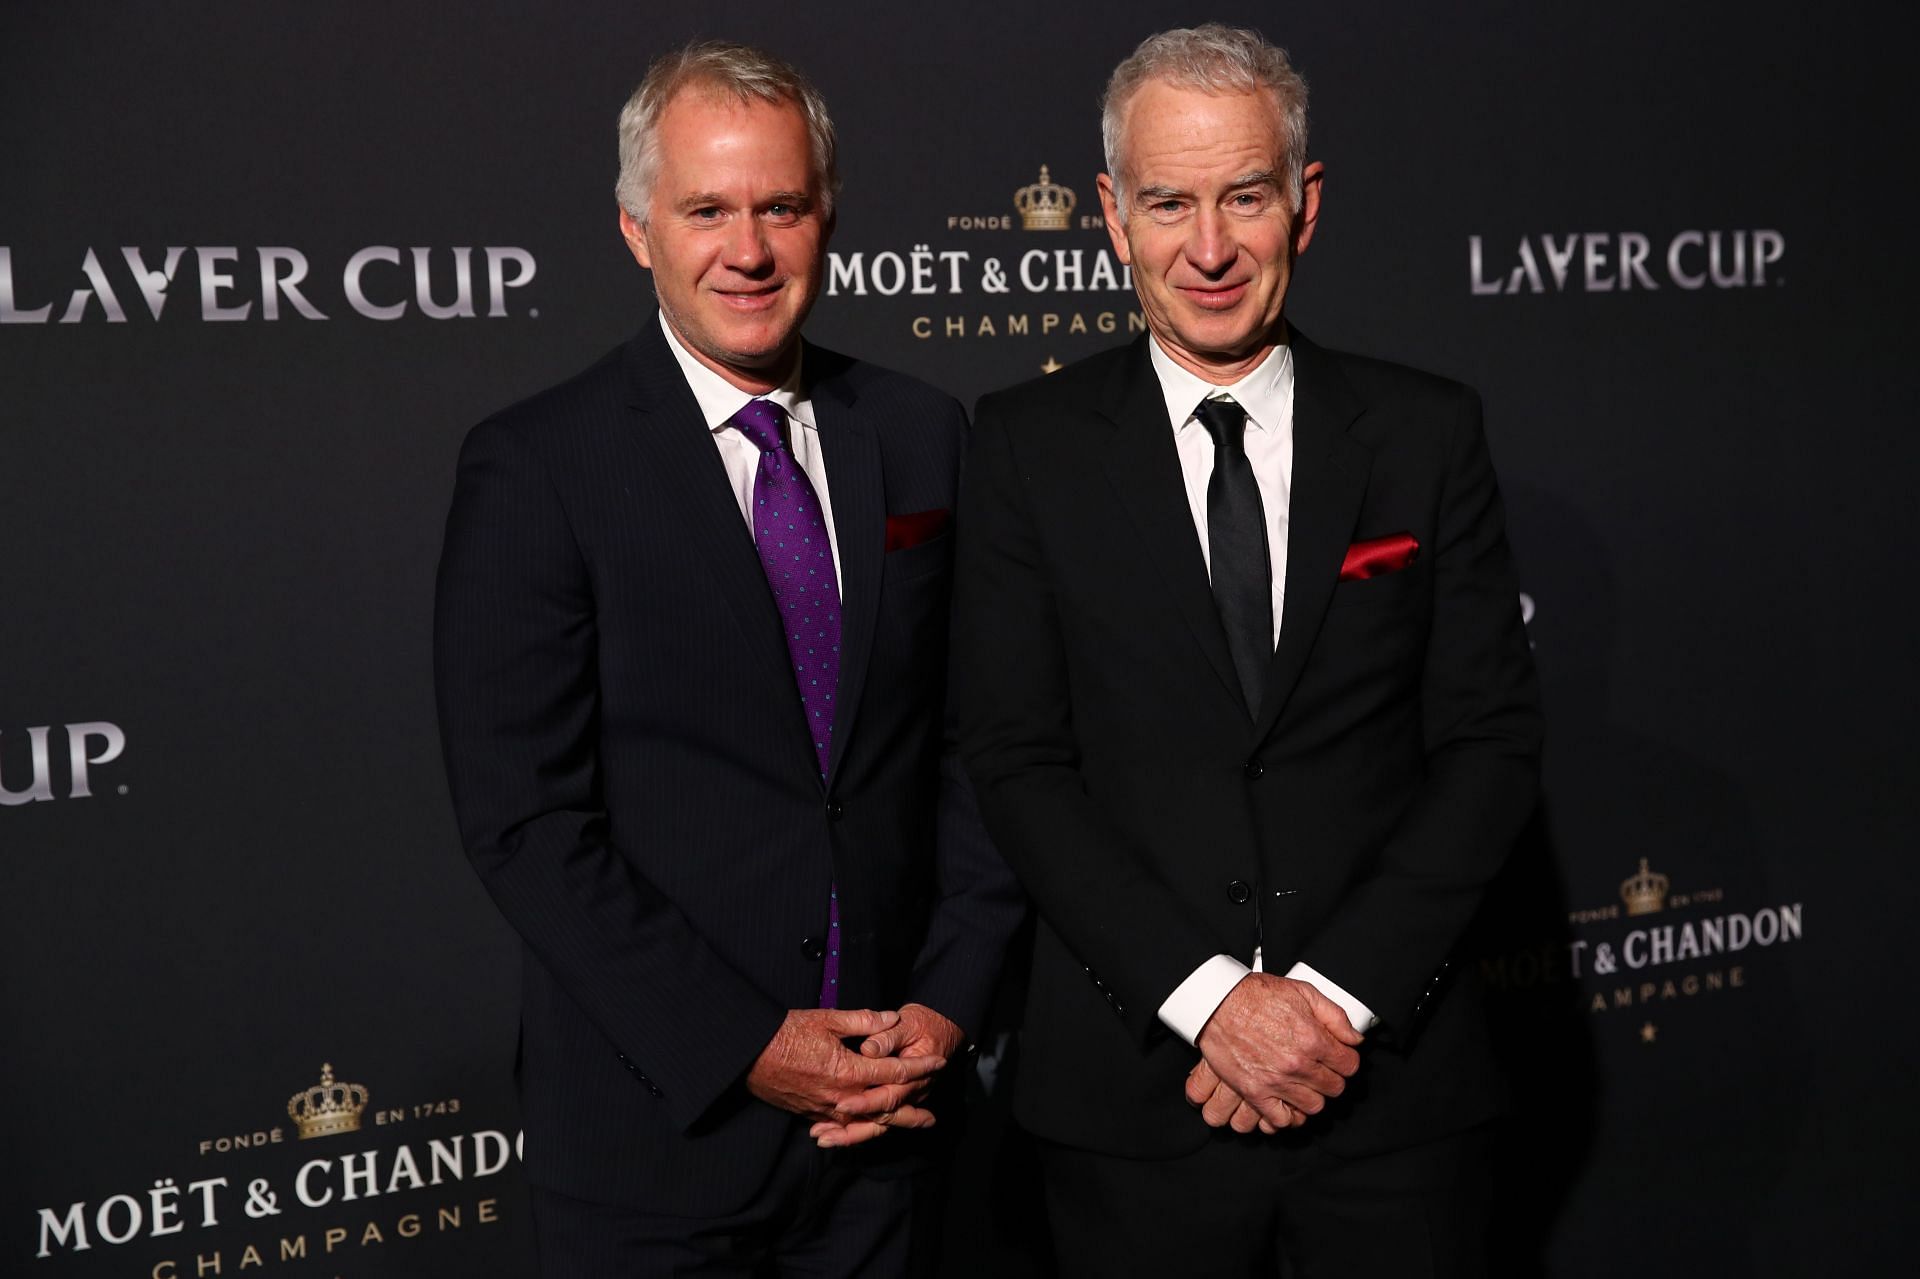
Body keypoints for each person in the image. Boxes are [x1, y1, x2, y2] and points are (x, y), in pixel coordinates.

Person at [951, 24, 1542, 1277]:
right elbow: (1015, 760)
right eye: (1167, 202)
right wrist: (1212, 998)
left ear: (1304, 204)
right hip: (1135, 1098)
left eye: (1244, 198)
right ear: (1112, 216)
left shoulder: (1427, 435)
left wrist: (1329, 1002)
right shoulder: (1022, 447)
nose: (1207, 249)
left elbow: (1487, 746)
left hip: (1394, 1097)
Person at [433, 40, 1021, 1277]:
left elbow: (977, 743)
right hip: (661, 1137)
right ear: (638, 227)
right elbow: (528, 821)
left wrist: (949, 1003)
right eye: (707, 209)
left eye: (781, 207)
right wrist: (749, 1042)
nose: (747, 251)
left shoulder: (921, 433)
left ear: (827, 218)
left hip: (894, 1122)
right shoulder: (539, 466)